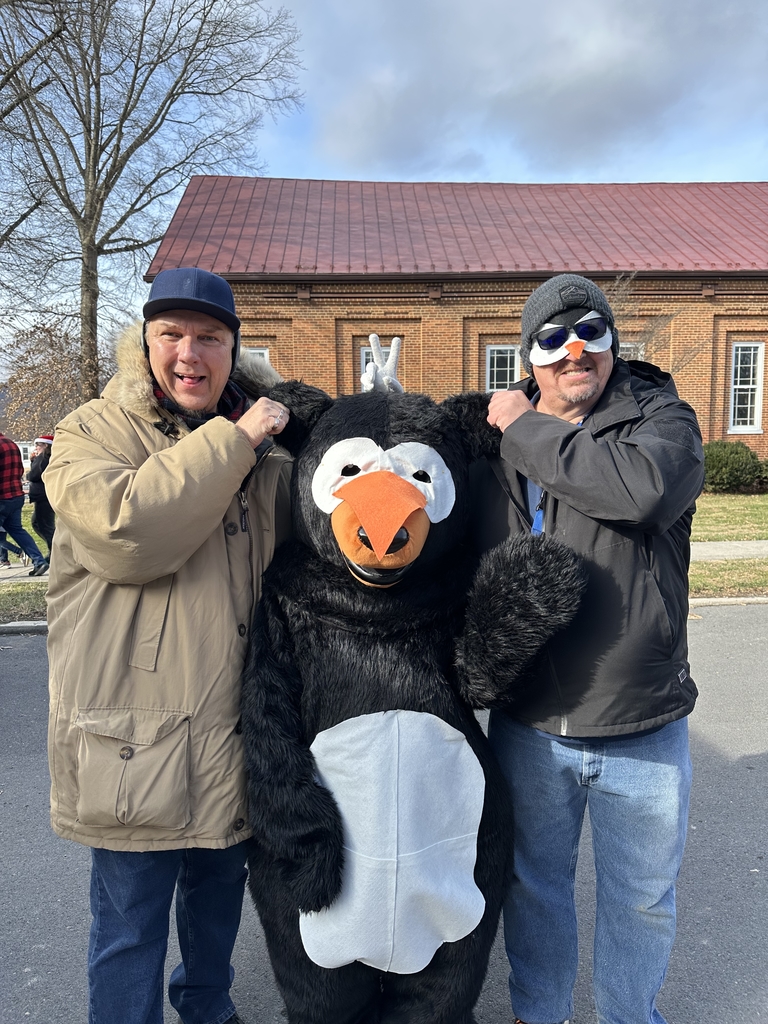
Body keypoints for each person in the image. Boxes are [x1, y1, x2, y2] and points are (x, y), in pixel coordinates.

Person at [45, 267, 293, 1024]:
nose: (190, 353)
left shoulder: (271, 448)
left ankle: (207, 1007)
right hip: (135, 737)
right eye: (172, 335)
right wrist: (236, 439)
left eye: (210, 337)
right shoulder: (93, 431)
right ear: (144, 344)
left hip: (232, 728)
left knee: (217, 908)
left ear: (233, 349)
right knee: (130, 928)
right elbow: (129, 534)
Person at [471, 274, 705, 1024]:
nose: (573, 349)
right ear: (529, 357)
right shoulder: (494, 442)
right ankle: (539, 1015)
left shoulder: (660, 418)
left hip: (642, 722)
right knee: (534, 892)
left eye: (590, 331)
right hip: (530, 726)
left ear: (613, 342)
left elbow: (640, 492)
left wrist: (524, 430)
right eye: (552, 339)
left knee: (640, 900)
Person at [0, 429, 49, 575]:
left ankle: (19, 554)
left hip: (2, 497)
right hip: (16, 495)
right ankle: (39, 561)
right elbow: (20, 470)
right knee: (17, 530)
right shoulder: (11, 444)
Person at [27, 434, 56, 558]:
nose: (36, 448)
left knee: (45, 526)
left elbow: (33, 475)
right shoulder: (42, 458)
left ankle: (55, 551)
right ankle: (53, 549)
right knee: (37, 523)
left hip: (44, 496)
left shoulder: (44, 459)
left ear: (45, 446)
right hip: (43, 496)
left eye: (38, 445)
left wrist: (30, 471)